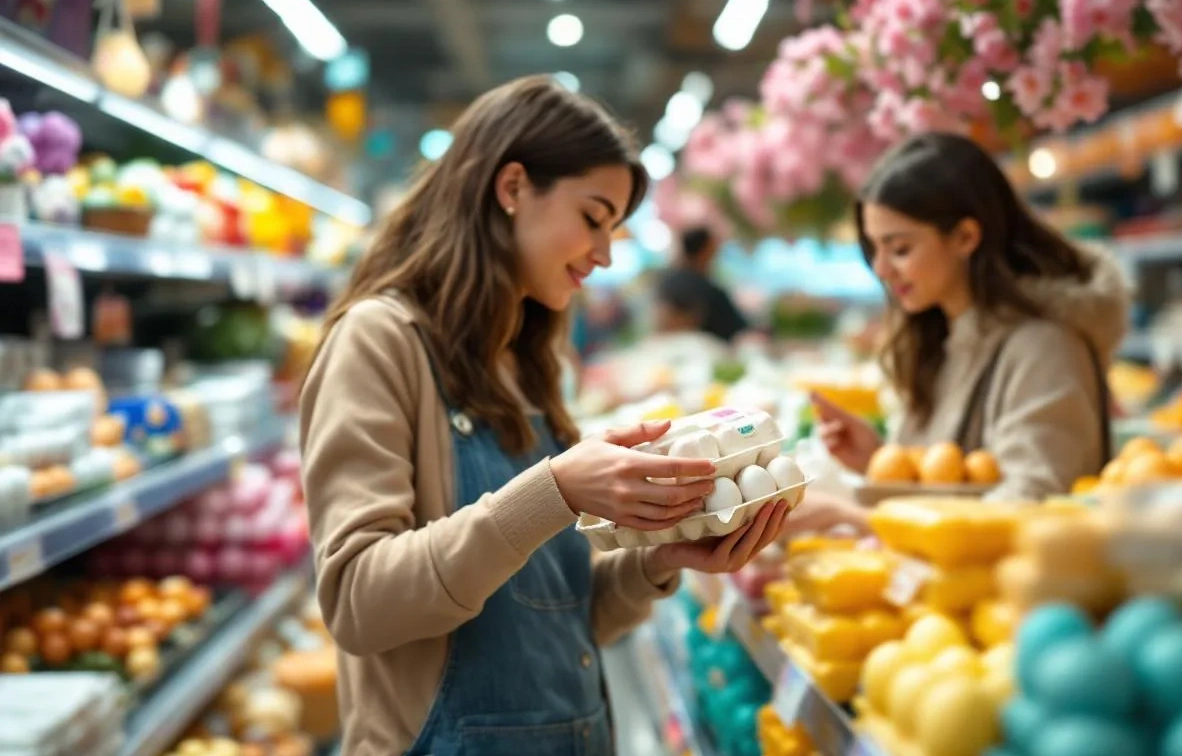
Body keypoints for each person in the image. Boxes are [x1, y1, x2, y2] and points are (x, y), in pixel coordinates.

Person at [299, 76, 790, 756]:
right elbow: (358, 603)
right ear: (513, 188)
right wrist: (553, 490)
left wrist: (659, 562)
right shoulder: (379, 342)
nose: (607, 251)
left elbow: (558, 616)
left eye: (615, 227)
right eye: (593, 218)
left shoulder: (525, 359)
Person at [810, 132, 1128, 507]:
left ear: (965, 237)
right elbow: (955, 485)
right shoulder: (936, 338)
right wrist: (879, 462)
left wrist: (846, 515)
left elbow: (1033, 503)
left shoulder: (1045, 348)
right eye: (873, 248)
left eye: (899, 249)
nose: (881, 269)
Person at [653, 226, 749, 342]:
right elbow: (740, 330)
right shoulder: (708, 291)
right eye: (714, 249)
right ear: (705, 251)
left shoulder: (666, 282)